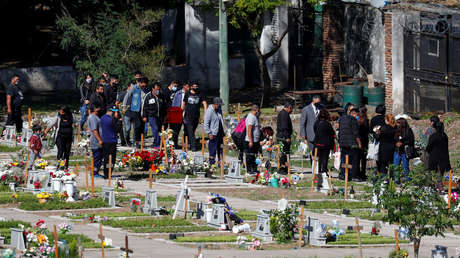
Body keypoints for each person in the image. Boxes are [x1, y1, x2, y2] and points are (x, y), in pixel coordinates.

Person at [313, 109, 335, 189]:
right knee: (325, 158)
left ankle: (319, 172)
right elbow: (332, 133)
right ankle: (324, 172)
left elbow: (315, 130)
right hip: (326, 143)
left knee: (319, 159)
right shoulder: (327, 124)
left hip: (318, 143)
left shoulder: (316, 123)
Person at [123, 77, 148, 147]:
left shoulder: (145, 89)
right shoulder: (134, 88)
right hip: (134, 110)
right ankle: (135, 141)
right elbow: (127, 96)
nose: (144, 86)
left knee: (141, 127)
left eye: (145, 85)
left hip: (142, 110)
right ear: (140, 83)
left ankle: (139, 141)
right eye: (143, 85)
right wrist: (124, 106)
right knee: (137, 126)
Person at [338, 108, 361, 181]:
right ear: (353, 114)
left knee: (344, 159)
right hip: (352, 143)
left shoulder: (342, 119)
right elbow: (356, 133)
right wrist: (359, 143)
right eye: (357, 115)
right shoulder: (353, 120)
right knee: (354, 160)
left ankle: (343, 174)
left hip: (343, 143)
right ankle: (353, 175)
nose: (357, 116)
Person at [182, 82, 207, 151]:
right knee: (190, 131)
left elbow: (204, 103)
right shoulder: (187, 93)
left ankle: (186, 143)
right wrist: (180, 112)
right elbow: (184, 103)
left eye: (196, 86)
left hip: (196, 116)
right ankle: (193, 146)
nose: (195, 88)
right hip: (187, 115)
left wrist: (205, 114)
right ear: (191, 87)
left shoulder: (200, 94)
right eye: (194, 86)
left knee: (191, 131)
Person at [204, 97, 225, 166]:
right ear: (215, 104)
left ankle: (220, 162)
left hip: (220, 132)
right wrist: (209, 133)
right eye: (219, 104)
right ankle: (212, 163)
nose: (219, 106)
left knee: (220, 148)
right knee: (213, 149)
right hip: (213, 133)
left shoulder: (219, 110)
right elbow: (206, 123)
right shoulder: (209, 111)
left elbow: (221, 120)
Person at [300, 95, 321, 162]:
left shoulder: (320, 109)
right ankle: (313, 167)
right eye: (317, 102)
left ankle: (319, 167)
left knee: (319, 152)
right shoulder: (306, 109)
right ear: (313, 100)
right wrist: (303, 134)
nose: (318, 104)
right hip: (310, 134)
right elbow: (302, 123)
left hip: (320, 135)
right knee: (313, 151)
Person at [142, 83, 162, 148]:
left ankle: (157, 142)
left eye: (158, 89)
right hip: (151, 115)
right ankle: (157, 144)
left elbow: (163, 106)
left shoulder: (161, 96)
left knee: (159, 130)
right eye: (156, 89)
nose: (157, 91)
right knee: (155, 129)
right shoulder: (148, 96)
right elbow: (144, 107)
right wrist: (144, 116)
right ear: (153, 89)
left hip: (159, 116)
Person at [170, 82, 190, 149]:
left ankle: (185, 143)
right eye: (187, 86)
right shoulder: (178, 93)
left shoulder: (190, 94)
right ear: (184, 86)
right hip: (178, 113)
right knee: (176, 130)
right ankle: (174, 144)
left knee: (187, 129)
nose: (188, 88)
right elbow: (174, 104)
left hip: (186, 113)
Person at [101, 106, 118, 179]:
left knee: (106, 158)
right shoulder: (112, 120)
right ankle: (109, 172)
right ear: (111, 111)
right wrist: (118, 120)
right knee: (112, 159)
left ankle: (105, 173)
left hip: (105, 140)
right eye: (114, 112)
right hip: (112, 140)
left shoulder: (102, 118)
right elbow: (117, 128)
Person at [276, 103, 293, 174]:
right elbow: (284, 127)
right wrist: (287, 137)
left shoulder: (284, 113)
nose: (291, 111)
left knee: (285, 153)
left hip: (283, 136)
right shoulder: (284, 114)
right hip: (283, 137)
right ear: (289, 108)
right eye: (291, 109)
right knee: (283, 153)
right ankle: (282, 168)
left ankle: (285, 168)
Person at [245, 105, 262, 174]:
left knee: (254, 156)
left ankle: (254, 169)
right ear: (256, 110)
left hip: (255, 140)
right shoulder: (251, 117)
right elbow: (249, 129)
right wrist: (251, 141)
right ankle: (249, 170)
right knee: (250, 156)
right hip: (251, 140)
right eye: (258, 111)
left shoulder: (254, 117)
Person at [88, 104, 103, 177]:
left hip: (97, 140)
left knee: (98, 157)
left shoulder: (95, 117)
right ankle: (94, 173)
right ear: (95, 109)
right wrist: (99, 140)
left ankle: (95, 171)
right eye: (98, 107)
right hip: (95, 141)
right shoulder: (92, 117)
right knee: (97, 158)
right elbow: (94, 130)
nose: (100, 109)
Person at [358, 107, 370, 180]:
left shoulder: (357, 121)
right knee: (363, 159)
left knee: (358, 158)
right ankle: (362, 173)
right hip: (364, 141)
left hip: (359, 141)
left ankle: (358, 173)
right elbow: (368, 130)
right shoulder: (366, 121)